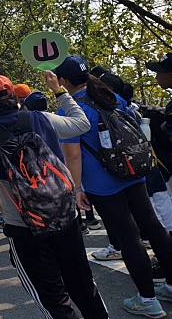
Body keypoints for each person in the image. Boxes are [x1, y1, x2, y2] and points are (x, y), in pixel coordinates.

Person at [0, 72, 109, 319]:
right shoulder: (39, 118)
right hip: (64, 217)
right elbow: (81, 124)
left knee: (52, 298)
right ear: (13, 95)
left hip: (24, 228)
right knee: (84, 286)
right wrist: (59, 91)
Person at [55, 55, 172, 317]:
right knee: (153, 226)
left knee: (128, 237)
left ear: (62, 80)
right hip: (134, 171)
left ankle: (148, 299)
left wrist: (76, 189)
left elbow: (72, 155)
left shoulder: (69, 110)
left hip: (103, 182)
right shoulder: (109, 95)